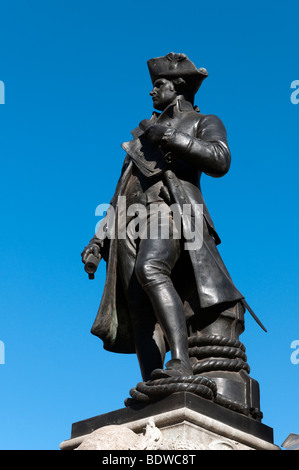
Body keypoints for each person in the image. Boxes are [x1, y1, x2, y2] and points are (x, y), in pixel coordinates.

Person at [81, 53, 246, 382]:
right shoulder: (140, 138)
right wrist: (98, 239)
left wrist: (170, 137)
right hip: (130, 221)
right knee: (139, 304)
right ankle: (155, 380)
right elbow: (121, 189)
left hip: (172, 210)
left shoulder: (203, 121)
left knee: (150, 268)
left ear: (179, 87)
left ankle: (181, 362)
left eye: (159, 85)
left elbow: (220, 159)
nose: (151, 92)